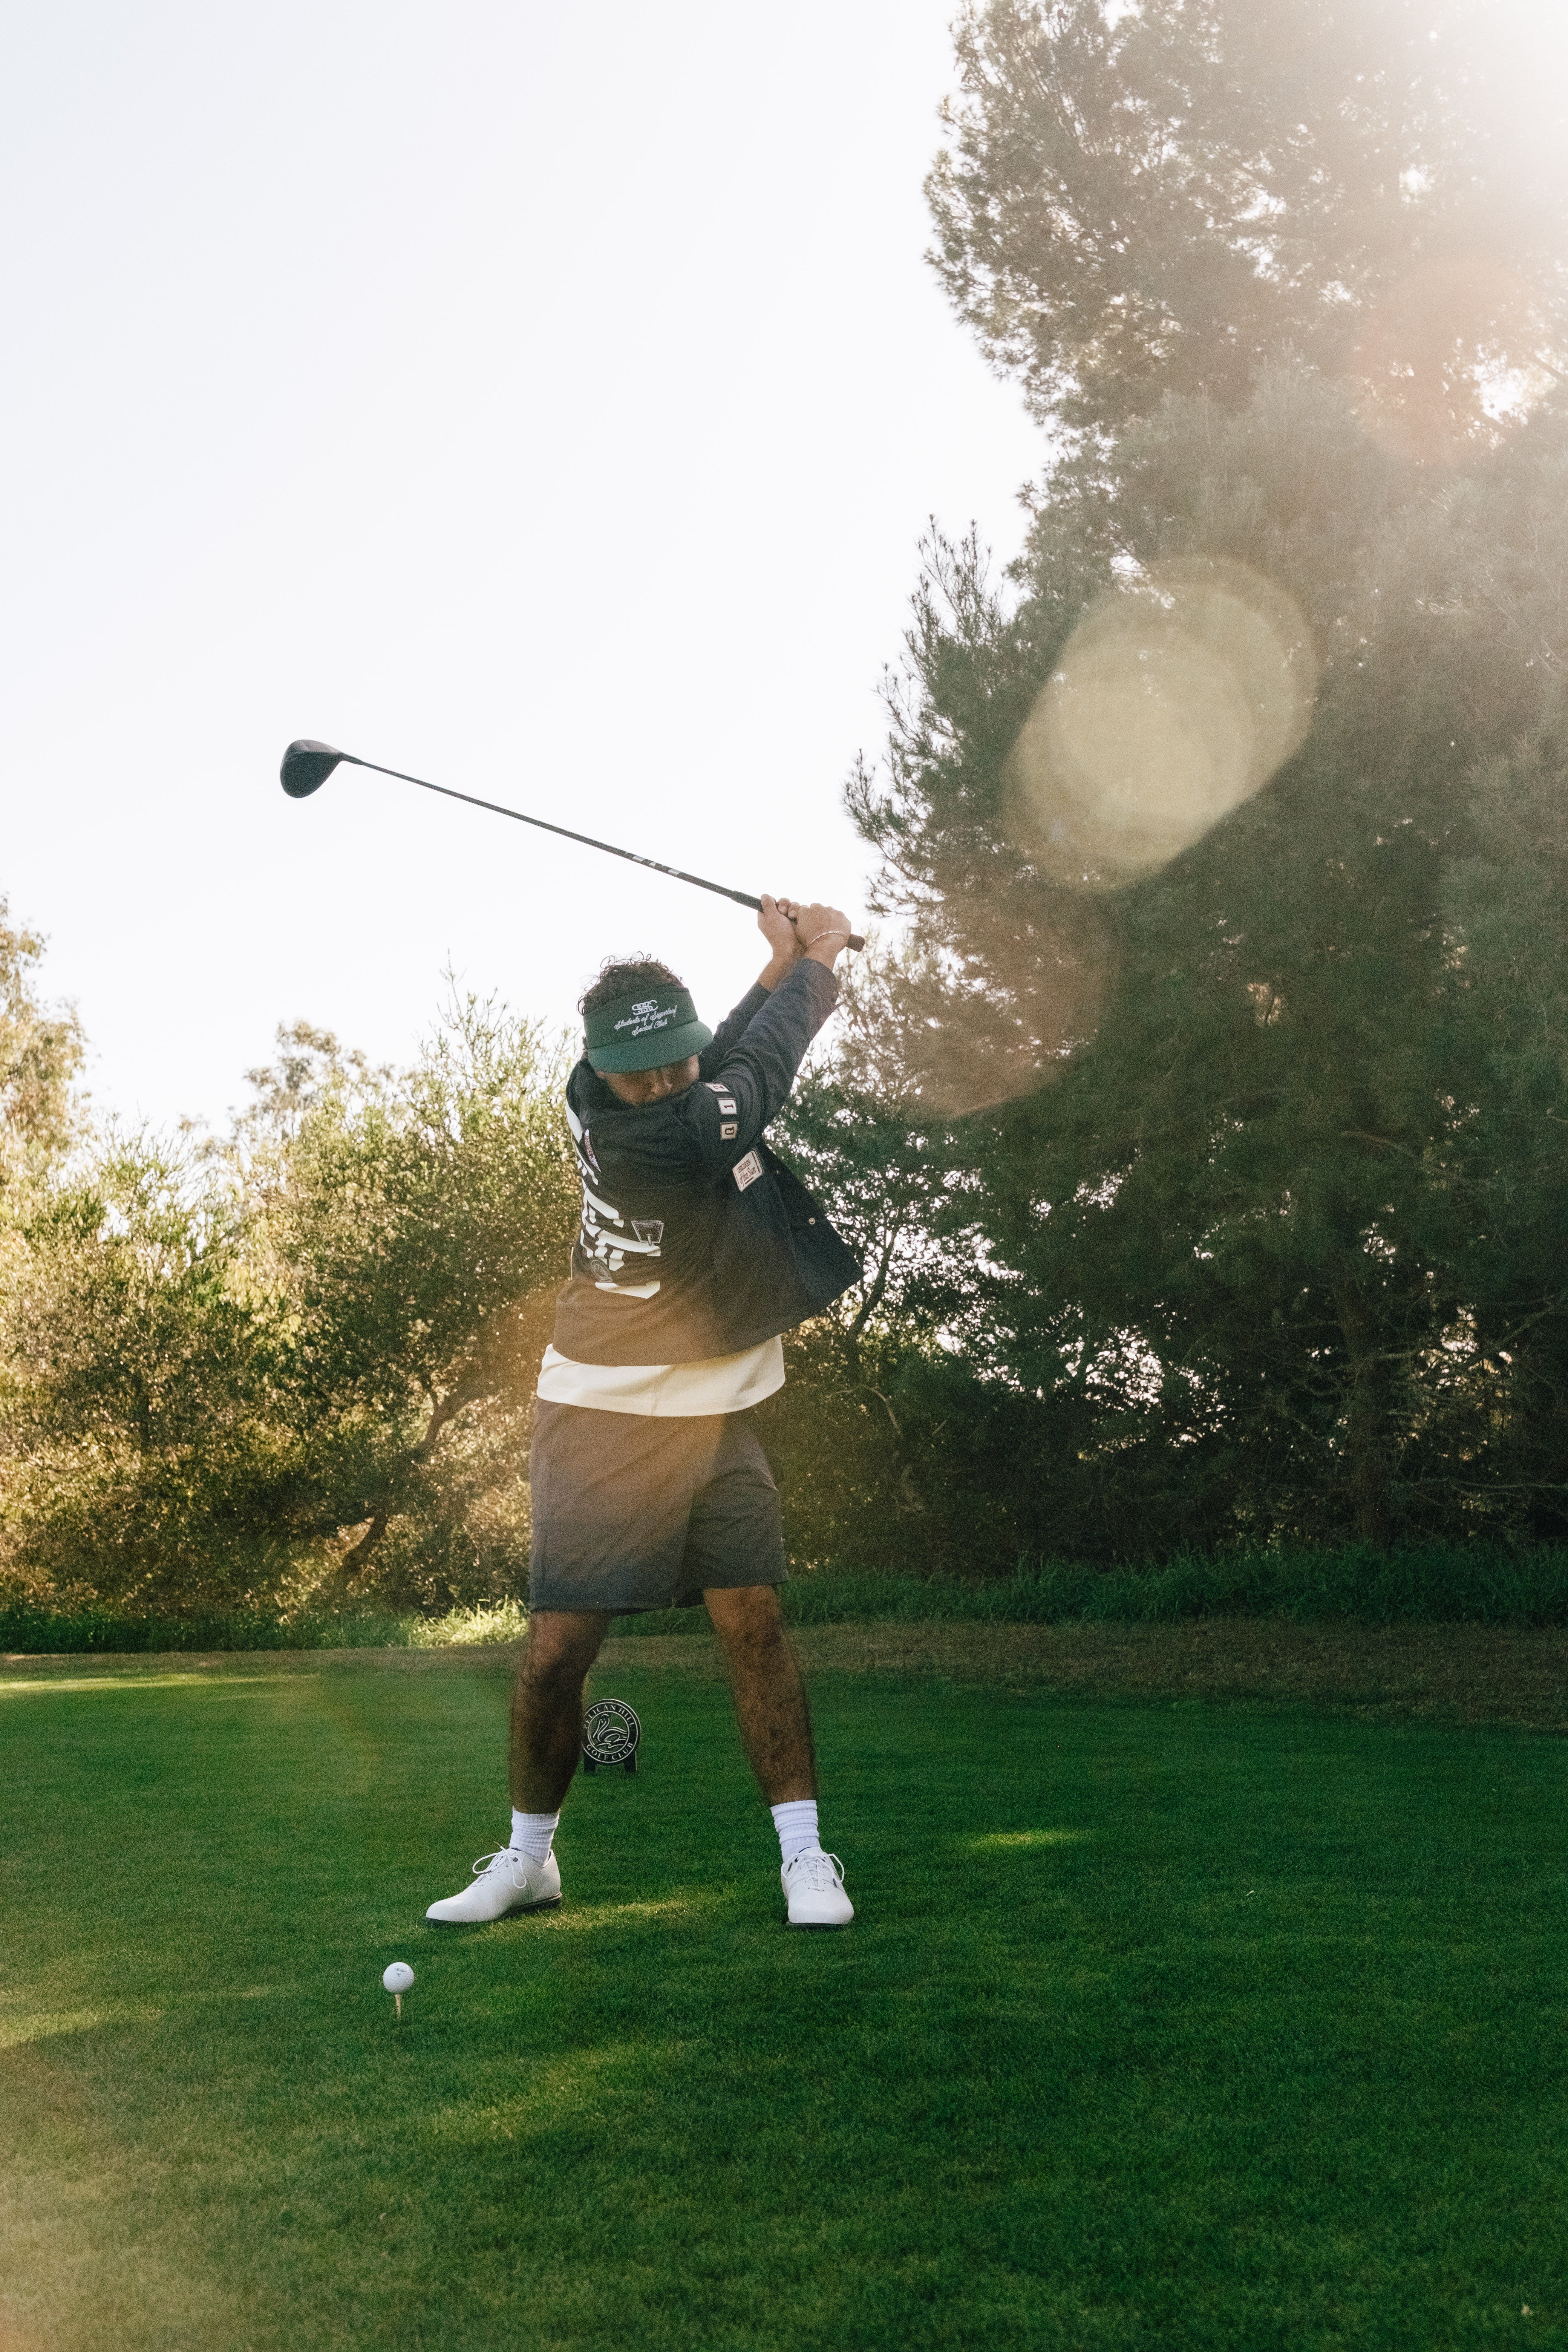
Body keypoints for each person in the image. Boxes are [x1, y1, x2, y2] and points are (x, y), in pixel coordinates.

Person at [426, 893, 862, 1929]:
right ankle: (531, 1859)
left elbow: (722, 1061)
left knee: (754, 1623)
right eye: (648, 1072)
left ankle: (807, 1858)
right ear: (603, 1075)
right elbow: (753, 1081)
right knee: (557, 1653)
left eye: (676, 1061)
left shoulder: (632, 1081)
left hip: (715, 1406)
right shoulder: (647, 1136)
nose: (667, 1081)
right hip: (605, 1410)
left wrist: (775, 966)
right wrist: (817, 965)